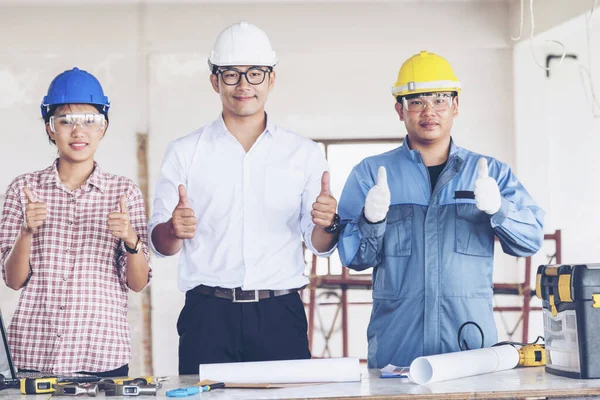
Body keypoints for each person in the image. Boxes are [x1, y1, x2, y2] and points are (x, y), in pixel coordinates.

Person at [149, 21, 340, 374]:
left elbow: (318, 243)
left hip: (279, 314)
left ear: (271, 79)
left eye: (254, 74)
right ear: (214, 80)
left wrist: (328, 223)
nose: (243, 85)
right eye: (231, 74)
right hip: (207, 315)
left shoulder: (303, 153)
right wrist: (174, 230)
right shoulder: (184, 152)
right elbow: (160, 246)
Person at [337, 51, 545, 368]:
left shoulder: (490, 173)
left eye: (439, 100)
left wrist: (499, 209)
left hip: (469, 351)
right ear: (399, 109)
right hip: (397, 350)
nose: (429, 111)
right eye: (417, 101)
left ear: (455, 105)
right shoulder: (371, 174)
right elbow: (354, 258)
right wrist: (371, 220)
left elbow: (531, 239)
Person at [0, 68, 151, 376]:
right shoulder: (23, 189)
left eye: (89, 120)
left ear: (103, 127)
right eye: (65, 121)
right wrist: (27, 233)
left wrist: (131, 239)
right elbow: (12, 280)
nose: (78, 131)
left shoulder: (123, 192)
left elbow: (137, 284)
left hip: (101, 356)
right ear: (50, 128)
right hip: (33, 354)